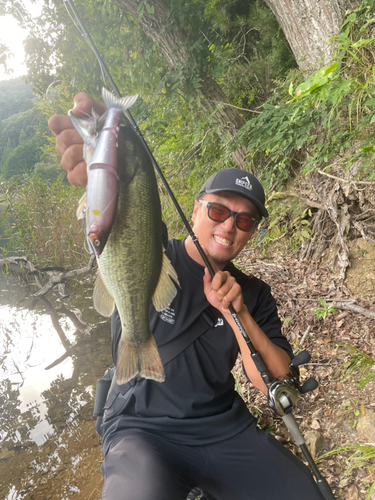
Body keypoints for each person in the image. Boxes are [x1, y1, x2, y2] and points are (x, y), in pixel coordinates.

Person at [48, 94, 325, 500]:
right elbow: (117, 216)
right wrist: (100, 164)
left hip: (222, 427)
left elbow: (279, 377)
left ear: (251, 232)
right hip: (139, 428)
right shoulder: (156, 249)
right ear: (196, 209)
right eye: (218, 211)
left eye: (244, 220)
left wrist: (239, 314)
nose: (229, 227)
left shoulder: (254, 294)